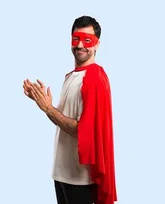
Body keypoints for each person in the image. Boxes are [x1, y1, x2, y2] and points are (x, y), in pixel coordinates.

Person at [22, 15, 117, 204]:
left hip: (80, 179)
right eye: (76, 39)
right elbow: (65, 120)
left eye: (87, 40)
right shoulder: (72, 76)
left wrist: (49, 109)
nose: (80, 45)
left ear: (97, 45)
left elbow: (84, 131)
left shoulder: (94, 79)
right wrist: (44, 104)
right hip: (62, 174)